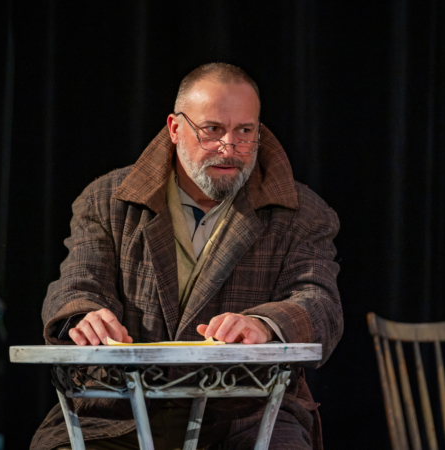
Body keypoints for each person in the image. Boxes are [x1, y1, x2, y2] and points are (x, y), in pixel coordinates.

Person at [32, 62, 343, 450]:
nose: (229, 148)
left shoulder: (302, 213)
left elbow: (319, 302)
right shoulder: (107, 201)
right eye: (212, 129)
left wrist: (265, 325)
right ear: (175, 128)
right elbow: (78, 281)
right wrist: (84, 315)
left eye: (245, 131)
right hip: (117, 413)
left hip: (244, 414)